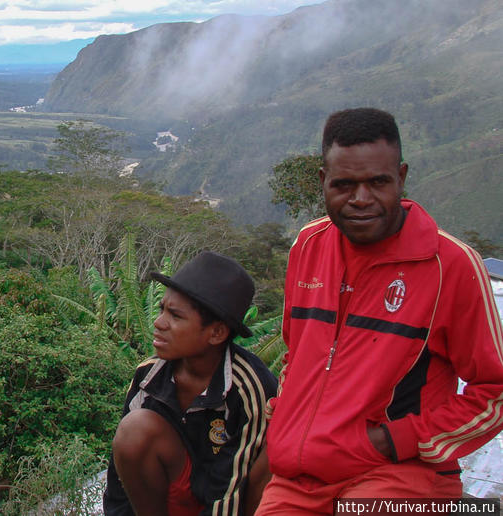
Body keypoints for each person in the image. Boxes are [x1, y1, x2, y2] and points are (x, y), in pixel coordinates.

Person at [257, 107, 503, 514]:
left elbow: (494, 393)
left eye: (378, 182)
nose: (361, 199)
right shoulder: (308, 247)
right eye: (344, 184)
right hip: (300, 478)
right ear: (323, 182)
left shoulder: (450, 265)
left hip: (401, 474)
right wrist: (286, 415)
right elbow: (296, 355)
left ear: (401, 179)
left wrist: (396, 439)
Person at [104, 251, 278, 516]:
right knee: (134, 430)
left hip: (232, 500)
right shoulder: (148, 375)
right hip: (172, 492)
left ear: (217, 333)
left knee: (273, 453)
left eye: (175, 316)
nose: (158, 323)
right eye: (162, 309)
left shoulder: (247, 388)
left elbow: (233, 491)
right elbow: (120, 475)